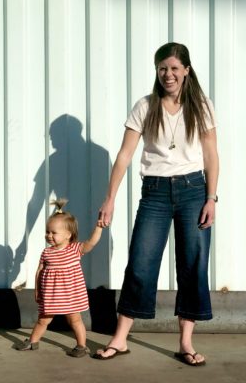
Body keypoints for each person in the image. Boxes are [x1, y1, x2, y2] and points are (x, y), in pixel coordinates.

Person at [95, 42, 219, 366]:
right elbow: (124, 155)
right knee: (140, 262)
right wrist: (109, 199)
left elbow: (211, 156)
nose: (168, 74)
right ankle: (120, 339)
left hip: (194, 191)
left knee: (193, 265)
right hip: (155, 193)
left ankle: (185, 343)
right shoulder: (145, 106)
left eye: (175, 68)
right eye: (163, 68)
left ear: (186, 71)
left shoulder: (201, 106)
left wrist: (212, 197)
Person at [15, 198, 104, 357]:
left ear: (68, 235)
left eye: (53, 233)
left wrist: (99, 227)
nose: (49, 236)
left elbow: (91, 242)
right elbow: (40, 271)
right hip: (50, 295)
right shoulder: (47, 252)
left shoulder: (75, 249)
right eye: (47, 232)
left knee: (75, 321)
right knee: (43, 320)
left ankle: (81, 346)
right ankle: (33, 341)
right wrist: (37, 290)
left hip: (70, 295)